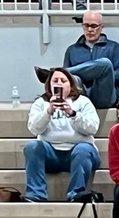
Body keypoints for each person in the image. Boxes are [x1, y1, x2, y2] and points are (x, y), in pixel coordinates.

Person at [23, 69, 100, 203]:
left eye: (63, 81)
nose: (59, 83)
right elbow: (34, 129)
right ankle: (36, 194)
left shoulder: (83, 102)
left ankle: (75, 194)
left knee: (83, 149)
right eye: (55, 81)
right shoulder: (41, 103)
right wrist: (48, 112)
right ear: (49, 85)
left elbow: (92, 128)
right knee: (31, 146)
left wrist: (72, 113)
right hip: (51, 154)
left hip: (79, 153)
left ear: (70, 85)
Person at [52, 10, 119, 111]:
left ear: (101, 27)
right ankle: (61, 72)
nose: (89, 29)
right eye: (86, 25)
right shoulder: (72, 50)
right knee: (72, 78)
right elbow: (66, 80)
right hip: (81, 95)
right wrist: (86, 74)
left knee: (105, 64)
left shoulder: (113, 47)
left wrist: (103, 75)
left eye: (93, 26)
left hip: (104, 95)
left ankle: (55, 72)